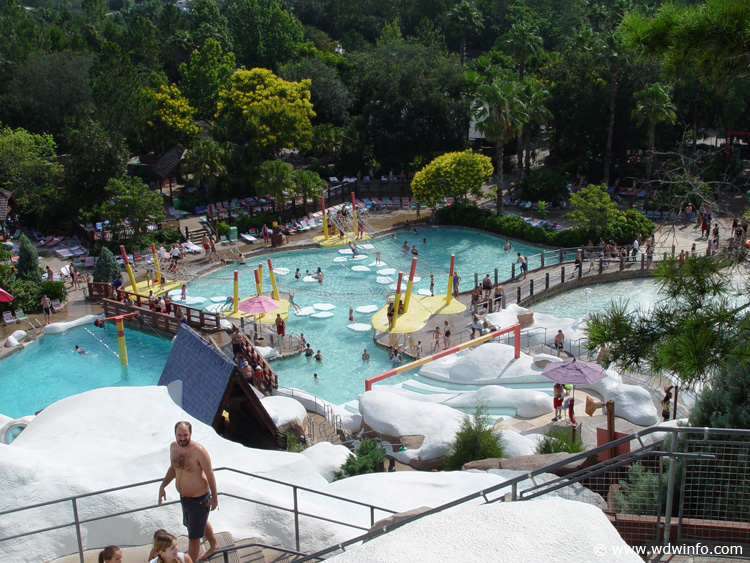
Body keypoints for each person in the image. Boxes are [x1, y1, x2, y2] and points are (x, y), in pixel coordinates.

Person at [158, 422, 218, 562]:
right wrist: (163, 486)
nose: (182, 438)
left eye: (185, 435)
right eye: (179, 435)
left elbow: (210, 474)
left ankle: (192, 560)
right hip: (185, 498)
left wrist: (214, 498)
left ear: (190, 434)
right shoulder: (173, 448)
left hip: (199, 498)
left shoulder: (198, 451)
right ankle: (214, 544)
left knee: (193, 537)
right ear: (175, 434)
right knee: (195, 524)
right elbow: (173, 469)